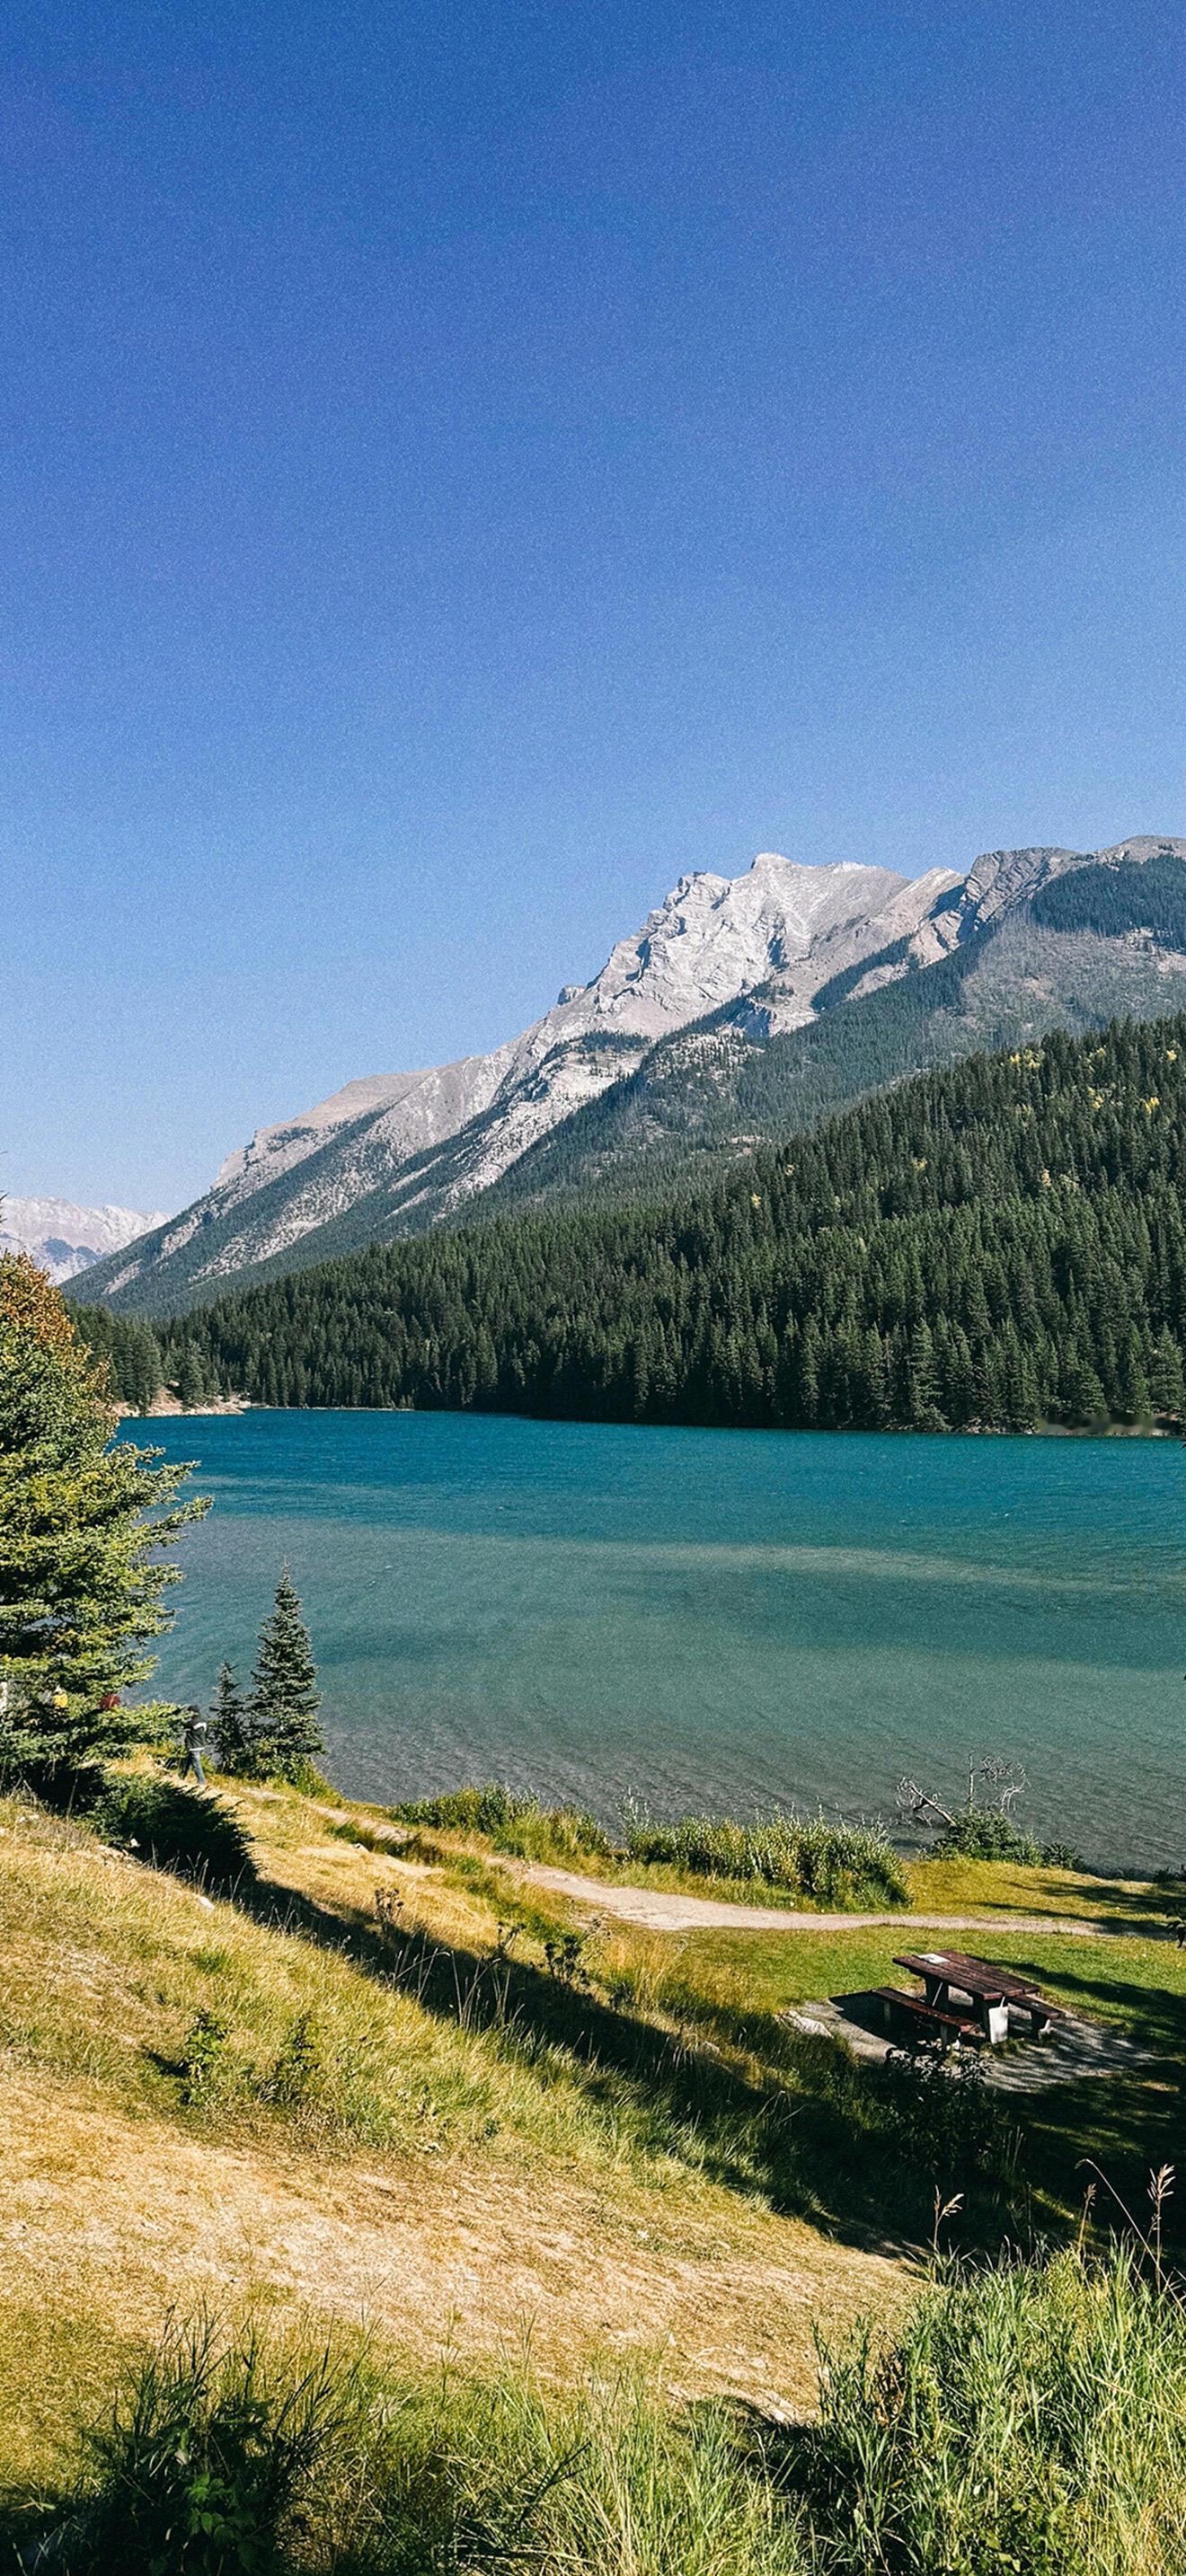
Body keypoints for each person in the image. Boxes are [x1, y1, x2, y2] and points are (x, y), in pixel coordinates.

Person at [181, 1705, 208, 1786]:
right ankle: (182, 1776)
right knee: (188, 1761)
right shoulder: (204, 1721)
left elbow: (183, 1725)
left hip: (194, 1746)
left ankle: (201, 1781)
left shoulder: (192, 1722)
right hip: (201, 1744)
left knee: (196, 1765)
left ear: (192, 1712)